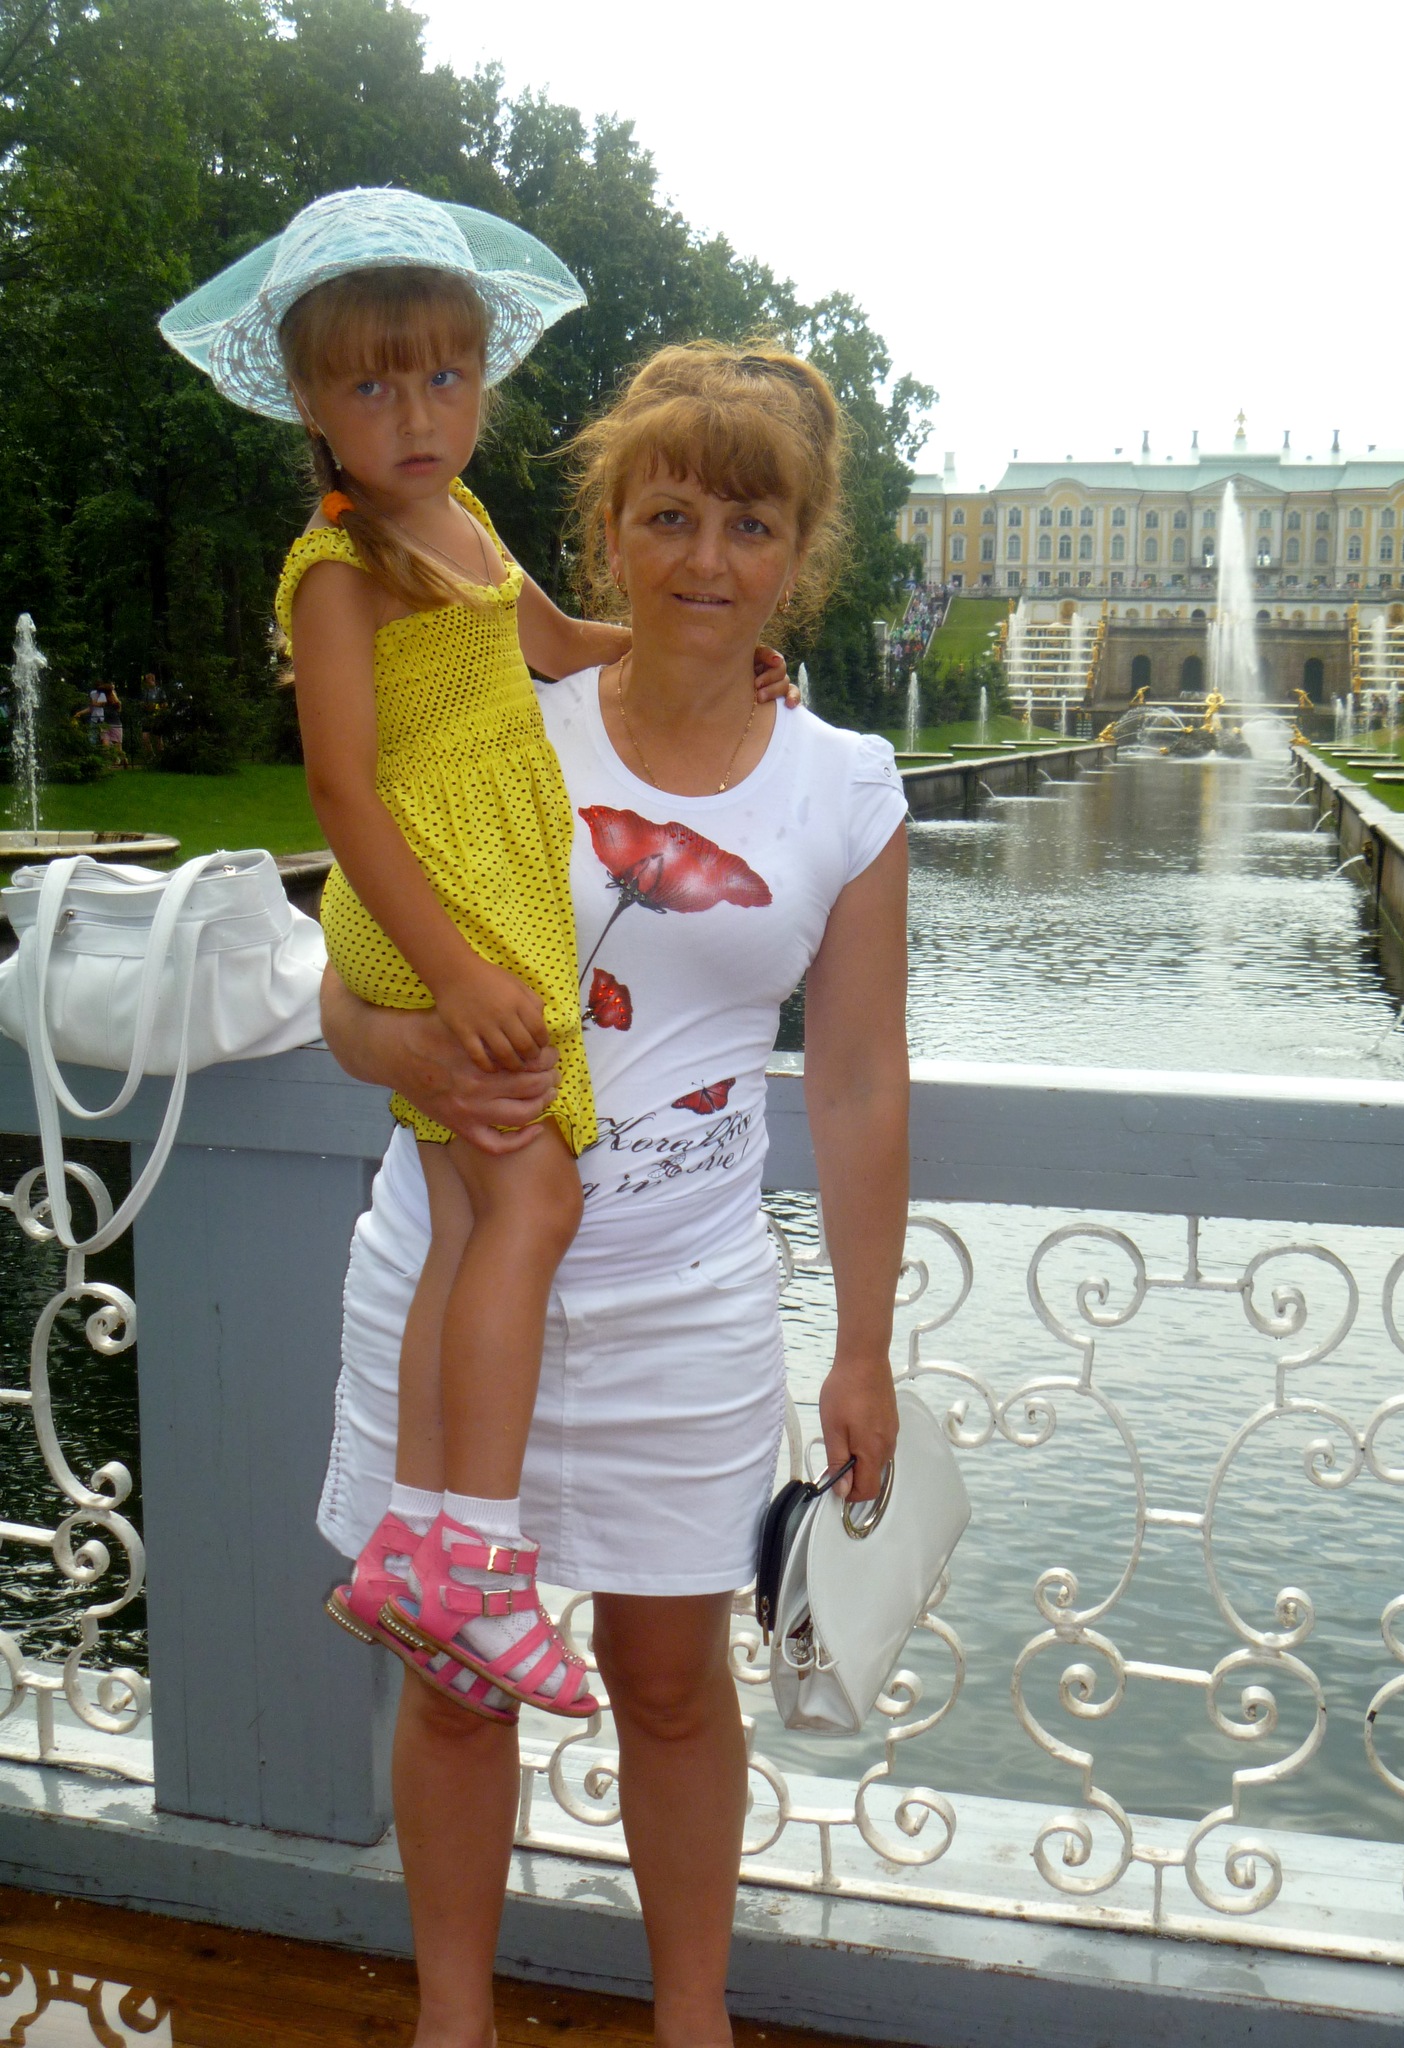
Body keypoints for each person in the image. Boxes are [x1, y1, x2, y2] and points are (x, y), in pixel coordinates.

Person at [319, 340, 910, 2048]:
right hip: (449, 1270)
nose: (706, 561)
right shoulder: (503, 722)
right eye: (669, 517)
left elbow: (857, 1084)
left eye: (749, 524)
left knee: (670, 1684)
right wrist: (408, 1053)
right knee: (453, 1676)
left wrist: (861, 1345)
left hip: (684, 1306)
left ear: (799, 552)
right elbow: (352, 992)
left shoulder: (846, 789)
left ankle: (689, 2022)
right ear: (610, 533)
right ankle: (452, 2022)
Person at [159, 188, 795, 1723]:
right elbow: (342, 792)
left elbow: (559, 643)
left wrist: (698, 651)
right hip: (429, 901)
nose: (417, 414)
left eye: (445, 377)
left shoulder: (463, 523)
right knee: (538, 1196)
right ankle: (479, 1564)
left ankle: (419, 1541)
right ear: (312, 401)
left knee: (466, 1219)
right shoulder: (340, 567)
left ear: (481, 380)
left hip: (483, 887)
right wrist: (450, 973)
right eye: (374, 386)